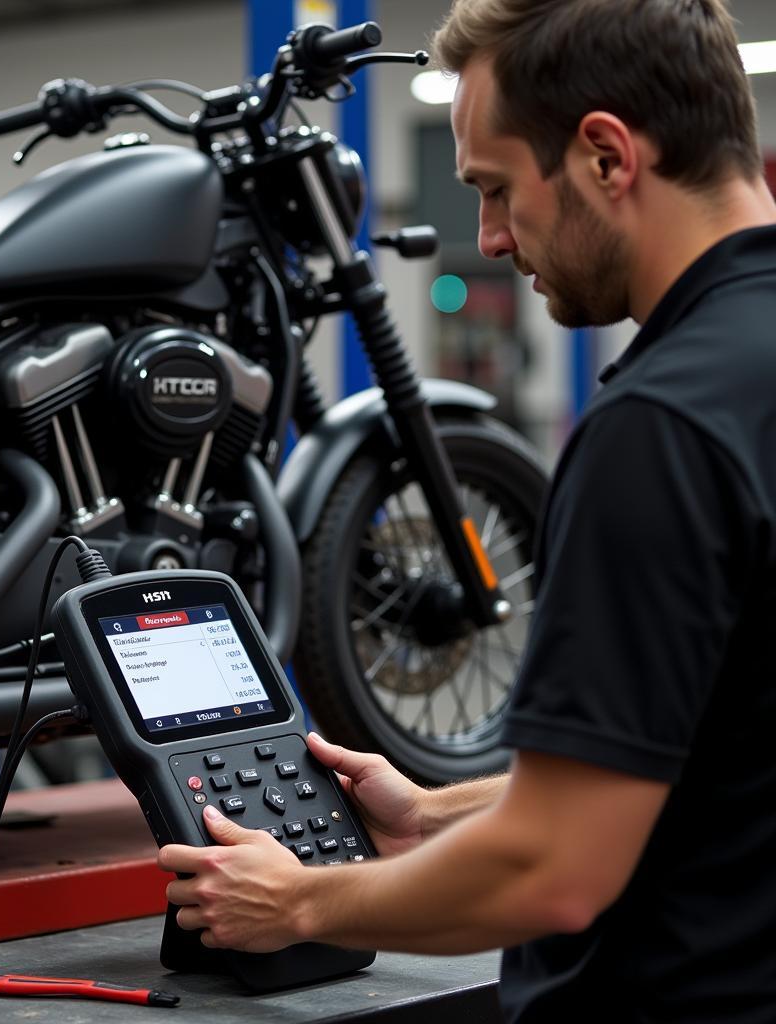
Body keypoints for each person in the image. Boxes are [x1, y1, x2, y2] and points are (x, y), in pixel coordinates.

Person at [158, 1, 776, 1019]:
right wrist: (432, 815)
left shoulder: (661, 428)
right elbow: (693, 752)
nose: (489, 238)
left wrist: (303, 900)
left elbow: (555, 868)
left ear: (606, 156)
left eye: (495, 190)